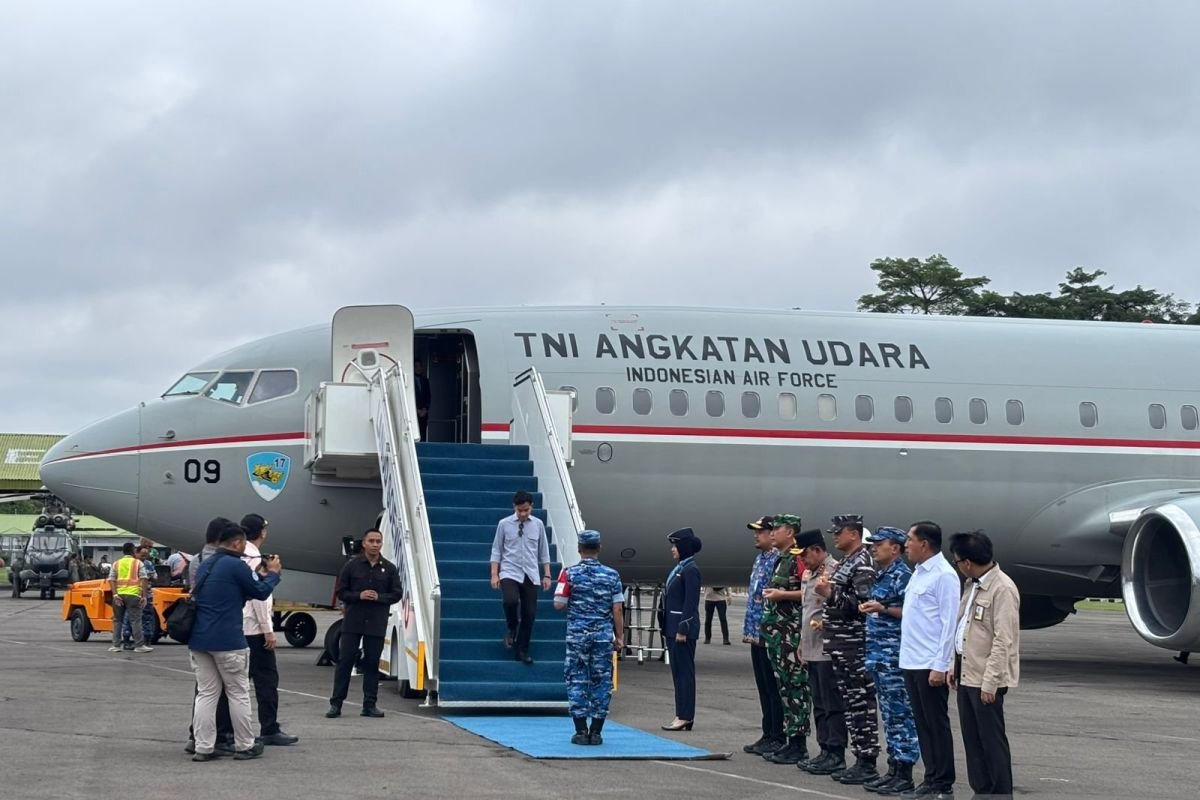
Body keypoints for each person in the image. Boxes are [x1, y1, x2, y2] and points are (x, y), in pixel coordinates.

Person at [189, 520, 281, 762]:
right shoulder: (235, 565)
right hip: (228, 639)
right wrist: (272, 575)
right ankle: (244, 744)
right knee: (238, 692)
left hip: (199, 639)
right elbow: (260, 592)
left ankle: (203, 746)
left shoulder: (205, 565)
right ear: (237, 543)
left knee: (207, 694)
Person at [949, 531, 1020, 800]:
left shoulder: (1002, 588)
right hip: (967, 673)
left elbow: (1004, 640)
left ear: (967, 561)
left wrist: (990, 682)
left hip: (985, 678)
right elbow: (963, 628)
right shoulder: (972, 585)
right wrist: (952, 666)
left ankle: (1000, 793)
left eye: (957, 561)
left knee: (991, 739)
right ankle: (982, 790)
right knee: (973, 739)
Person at [814, 513, 880, 785]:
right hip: (841, 645)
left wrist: (830, 594)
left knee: (861, 704)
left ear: (854, 534)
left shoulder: (862, 564)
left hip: (854, 645)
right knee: (851, 705)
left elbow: (863, 605)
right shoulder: (847, 562)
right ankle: (859, 757)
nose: (835, 537)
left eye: (839, 532)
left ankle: (867, 761)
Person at [900, 521, 961, 800]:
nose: (905, 546)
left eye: (909, 540)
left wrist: (941, 664)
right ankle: (930, 777)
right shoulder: (918, 573)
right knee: (922, 724)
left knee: (936, 723)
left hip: (929, 663)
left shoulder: (944, 575)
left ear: (924, 544)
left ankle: (942, 783)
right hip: (911, 660)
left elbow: (949, 624)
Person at [859, 526, 920, 795]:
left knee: (901, 715)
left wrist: (882, 608)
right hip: (879, 656)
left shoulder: (903, 575)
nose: (873, 548)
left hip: (894, 656)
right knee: (889, 715)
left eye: (878, 544)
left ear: (894, 548)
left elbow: (911, 612)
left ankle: (904, 772)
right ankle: (894, 768)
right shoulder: (882, 574)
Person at [554, 529, 625, 745]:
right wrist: (619, 637)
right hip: (603, 636)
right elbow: (618, 609)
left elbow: (559, 604)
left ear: (579, 549)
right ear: (599, 548)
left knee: (576, 680)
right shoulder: (612, 575)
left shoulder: (569, 574)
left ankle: (580, 730)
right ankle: (596, 731)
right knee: (602, 681)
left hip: (577, 637)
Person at [327, 528, 402, 719]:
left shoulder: (389, 568)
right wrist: (358, 596)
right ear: (364, 544)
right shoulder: (352, 566)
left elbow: (397, 594)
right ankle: (336, 704)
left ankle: (369, 704)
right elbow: (341, 592)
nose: (375, 545)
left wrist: (379, 597)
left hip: (376, 622)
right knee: (345, 661)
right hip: (354, 621)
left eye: (378, 541)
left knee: (372, 663)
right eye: (371, 541)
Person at [240, 514, 298, 746]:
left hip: (239, 627)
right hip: (254, 630)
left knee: (236, 684)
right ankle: (269, 728)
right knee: (266, 681)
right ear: (262, 532)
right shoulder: (254, 558)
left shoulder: (238, 555)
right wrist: (268, 630)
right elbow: (259, 598)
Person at [759, 514, 812, 765]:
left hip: (792, 636)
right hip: (779, 637)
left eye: (776, 529)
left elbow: (808, 592)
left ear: (790, 532)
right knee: (785, 689)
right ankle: (791, 741)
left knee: (796, 689)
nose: (771, 533)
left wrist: (782, 594)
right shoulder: (781, 559)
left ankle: (799, 744)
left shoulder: (799, 558)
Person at [797, 531, 848, 777]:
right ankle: (824, 749)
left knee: (832, 704)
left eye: (805, 554)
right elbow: (807, 611)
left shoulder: (835, 571)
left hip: (828, 648)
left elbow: (840, 606)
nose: (802, 561)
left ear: (817, 550)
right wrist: (801, 642)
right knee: (818, 704)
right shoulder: (809, 573)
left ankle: (836, 752)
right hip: (811, 646)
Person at [185, 517, 236, 756]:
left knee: (203, 690)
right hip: (222, 629)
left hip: (199, 629)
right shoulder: (223, 561)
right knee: (228, 689)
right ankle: (223, 736)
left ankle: (196, 736)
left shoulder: (196, 559)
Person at [489, 490, 551, 664]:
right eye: (520, 510)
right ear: (514, 508)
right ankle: (511, 627)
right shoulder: (504, 524)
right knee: (510, 600)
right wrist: (495, 574)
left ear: (531, 507)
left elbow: (543, 551)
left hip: (531, 574)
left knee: (529, 614)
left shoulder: (538, 525)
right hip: (510, 570)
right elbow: (496, 550)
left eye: (526, 510)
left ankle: (522, 650)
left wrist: (546, 574)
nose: (523, 514)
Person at [742, 515, 786, 756]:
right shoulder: (761, 559)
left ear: (773, 534)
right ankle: (768, 732)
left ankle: (778, 735)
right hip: (756, 633)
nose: (756, 536)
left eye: (760, 531)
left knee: (774, 686)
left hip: (772, 634)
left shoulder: (780, 560)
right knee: (763, 686)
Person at [661, 527, 701, 731]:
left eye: (675, 546)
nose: (672, 550)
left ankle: (685, 715)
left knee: (684, 673)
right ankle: (681, 713)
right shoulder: (680, 568)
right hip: (672, 628)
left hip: (681, 630)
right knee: (677, 673)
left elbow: (690, 602)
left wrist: (683, 629)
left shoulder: (690, 569)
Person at [107, 543, 151, 654]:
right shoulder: (138, 563)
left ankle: (116, 645)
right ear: (132, 550)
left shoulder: (116, 563)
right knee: (135, 621)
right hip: (133, 595)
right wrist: (144, 596)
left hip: (119, 596)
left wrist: (115, 594)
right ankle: (139, 645)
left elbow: (111, 579)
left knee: (117, 620)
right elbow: (144, 579)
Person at [414, 358, 431, 441]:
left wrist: (425, 409)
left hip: (424, 411)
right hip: (414, 411)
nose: (418, 368)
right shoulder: (411, 380)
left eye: (420, 366)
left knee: (423, 431)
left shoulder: (425, 381)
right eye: (416, 366)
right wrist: (416, 409)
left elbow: (428, 396)